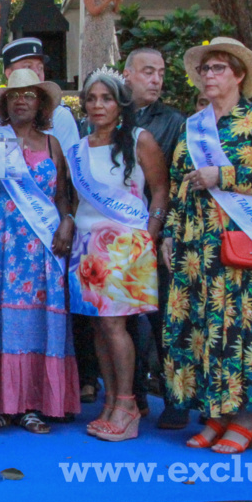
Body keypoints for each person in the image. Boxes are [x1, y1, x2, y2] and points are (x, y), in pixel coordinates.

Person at [161, 37, 252, 454]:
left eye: (218, 68)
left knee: (243, 327)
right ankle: (216, 414)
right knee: (204, 330)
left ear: (238, 75)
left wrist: (225, 176)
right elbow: (180, 181)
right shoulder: (193, 125)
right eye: (205, 69)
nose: (209, 75)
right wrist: (169, 231)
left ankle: (246, 418)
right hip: (197, 249)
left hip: (241, 244)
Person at [0, 68, 80, 435]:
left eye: (29, 95)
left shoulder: (53, 145)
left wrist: (67, 222)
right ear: (5, 104)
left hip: (41, 248)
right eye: (15, 95)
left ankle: (33, 404)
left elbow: (63, 195)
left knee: (36, 323)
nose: (21, 100)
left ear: (41, 103)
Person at [67, 68, 168, 442]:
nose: (97, 105)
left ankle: (127, 405)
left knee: (115, 325)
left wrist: (151, 234)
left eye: (106, 98)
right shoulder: (78, 149)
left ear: (120, 103)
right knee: (97, 325)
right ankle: (110, 402)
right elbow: (76, 198)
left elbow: (159, 190)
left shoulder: (140, 140)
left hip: (126, 244)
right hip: (87, 245)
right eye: (91, 99)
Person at [121, 47, 187, 428]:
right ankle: (134, 396)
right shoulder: (107, 117)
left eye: (161, 72)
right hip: (115, 239)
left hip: (155, 234)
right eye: (148, 71)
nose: (157, 79)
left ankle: (175, 399)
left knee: (164, 319)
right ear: (127, 75)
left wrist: (162, 231)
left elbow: (174, 186)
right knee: (123, 321)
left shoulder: (175, 123)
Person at [0, 38, 80, 153]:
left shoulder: (60, 117)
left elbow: (70, 164)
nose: (37, 72)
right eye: (28, 67)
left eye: (40, 67)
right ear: (9, 74)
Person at [81, 0, 122, 78]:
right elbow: (94, 11)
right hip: (94, 29)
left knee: (107, 55)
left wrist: (117, 1)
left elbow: (115, 10)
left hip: (107, 27)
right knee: (94, 57)